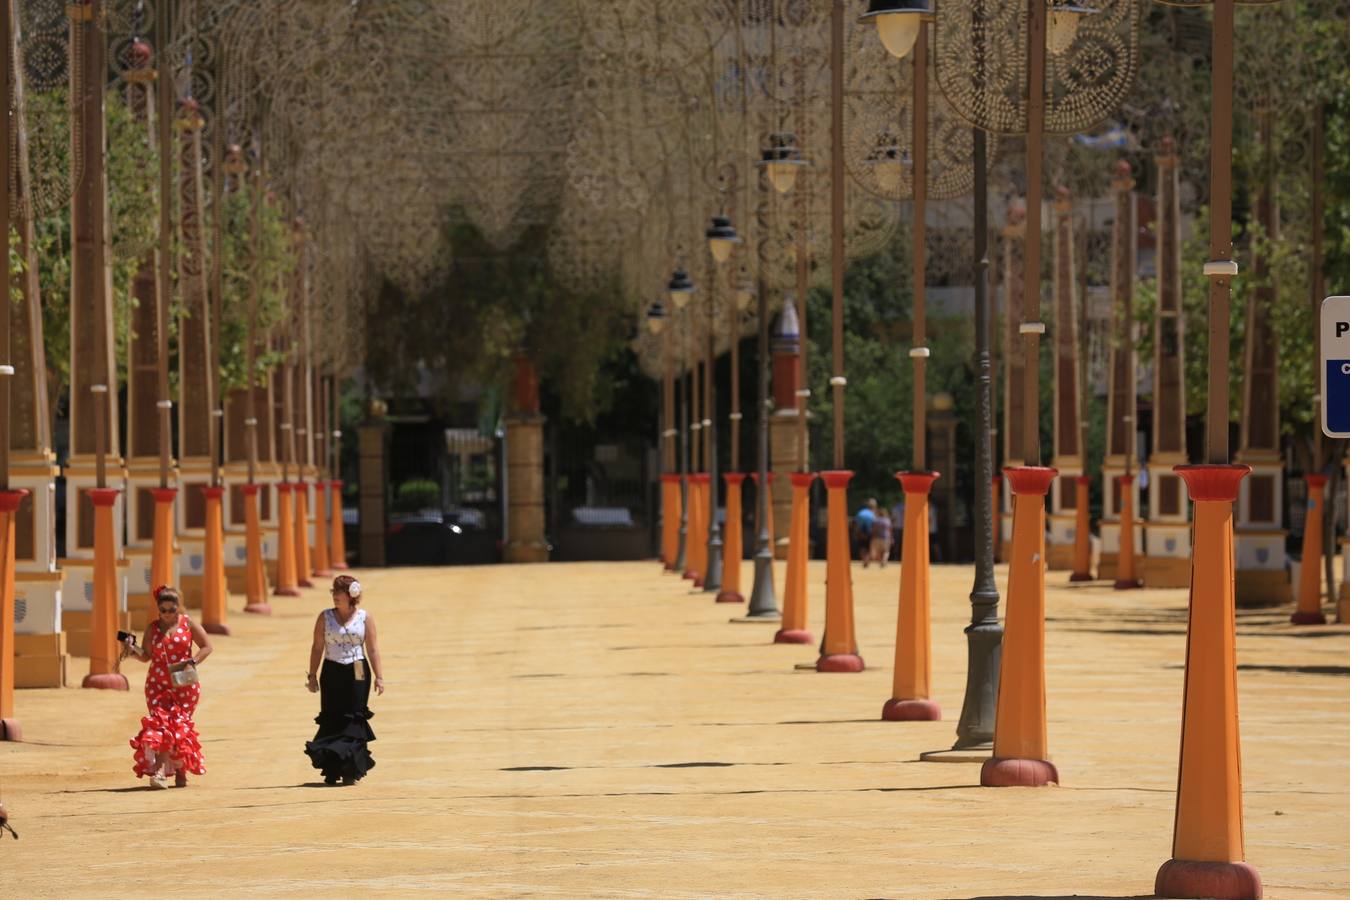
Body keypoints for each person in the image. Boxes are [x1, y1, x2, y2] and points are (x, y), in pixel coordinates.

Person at [124, 586, 212, 789]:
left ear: (178, 607)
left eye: (171, 610)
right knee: (161, 726)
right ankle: (161, 771)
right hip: (157, 685)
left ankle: (180, 771)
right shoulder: (152, 628)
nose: (167, 614)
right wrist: (131, 649)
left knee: (179, 727)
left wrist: (193, 661)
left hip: (183, 684)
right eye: (163, 610)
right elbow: (145, 656)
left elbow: (207, 646)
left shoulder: (188, 624)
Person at [305, 574, 384, 786]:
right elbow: (317, 648)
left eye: (339, 592)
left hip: (358, 667)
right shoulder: (325, 617)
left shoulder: (365, 618)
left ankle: (350, 768)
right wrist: (312, 675)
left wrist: (379, 677)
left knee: (353, 716)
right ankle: (332, 767)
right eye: (334, 592)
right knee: (332, 715)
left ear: (352, 595)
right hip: (332, 668)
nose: (335, 596)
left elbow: (373, 649)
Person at [868, 502, 893, 568]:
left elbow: (874, 530)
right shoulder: (887, 520)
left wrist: (873, 537)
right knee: (886, 551)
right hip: (886, 537)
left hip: (877, 537)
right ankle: (884, 561)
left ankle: (880, 562)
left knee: (878, 551)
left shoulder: (876, 520)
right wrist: (891, 538)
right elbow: (890, 530)